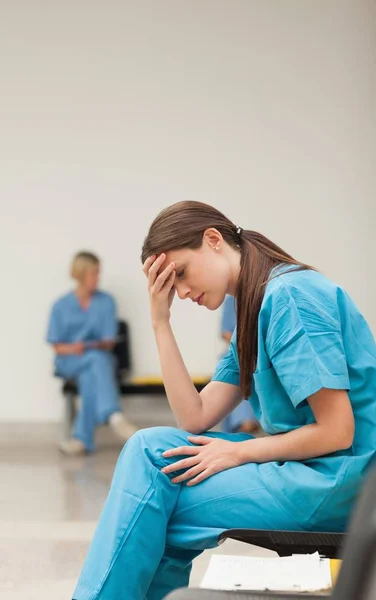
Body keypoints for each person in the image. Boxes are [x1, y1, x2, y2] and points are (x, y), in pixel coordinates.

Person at [72, 201, 376, 599]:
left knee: (155, 505)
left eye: (179, 273)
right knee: (149, 449)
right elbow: (194, 417)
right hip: (305, 467)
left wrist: (238, 454)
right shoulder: (253, 307)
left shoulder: (290, 297)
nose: (180, 291)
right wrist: (160, 321)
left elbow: (338, 432)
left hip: (339, 478)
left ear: (213, 240)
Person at [47, 251, 137, 455]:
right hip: (69, 361)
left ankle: (81, 440)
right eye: (93, 273)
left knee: (90, 374)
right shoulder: (61, 306)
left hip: (98, 359)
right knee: (96, 362)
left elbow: (108, 341)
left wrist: (85, 347)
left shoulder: (106, 302)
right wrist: (74, 348)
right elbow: (56, 345)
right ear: (80, 274)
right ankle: (113, 414)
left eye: (98, 273)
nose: (97, 278)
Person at [220, 294, 260, 433]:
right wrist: (244, 345)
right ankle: (244, 421)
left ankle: (245, 421)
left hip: (257, 352)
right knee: (238, 367)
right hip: (239, 351)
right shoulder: (231, 301)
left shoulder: (263, 297)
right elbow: (225, 332)